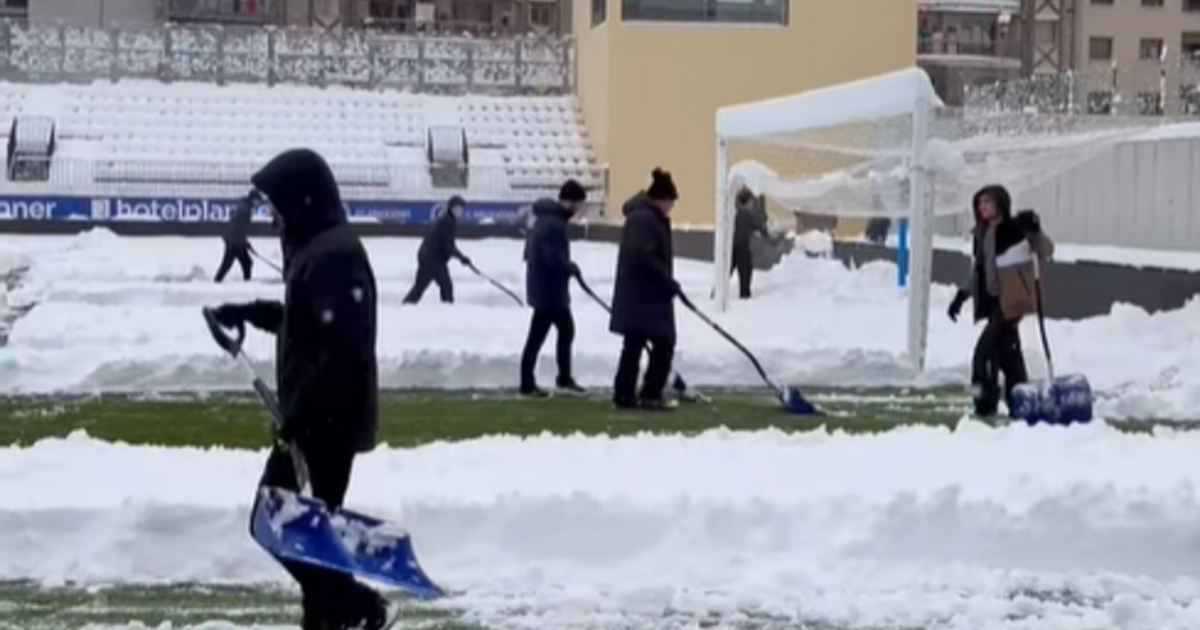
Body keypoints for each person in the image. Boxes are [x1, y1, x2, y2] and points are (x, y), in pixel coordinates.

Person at [208, 149, 396, 630]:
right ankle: (350, 611)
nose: (271, 215)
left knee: (280, 526)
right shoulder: (318, 247)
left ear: (299, 200)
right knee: (297, 532)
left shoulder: (334, 254)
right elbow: (306, 324)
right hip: (313, 420)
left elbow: (342, 351)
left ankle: (361, 608)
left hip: (325, 426)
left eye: (276, 204)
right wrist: (247, 311)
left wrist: (303, 416)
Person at [947, 184, 1055, 419]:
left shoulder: (1015, 229)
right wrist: (962, 295)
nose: (982, 207)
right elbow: (980, 270)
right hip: (994, 303)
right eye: (980, 203)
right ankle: (1022, 402)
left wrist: (1034, 229)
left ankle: (984, 404)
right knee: (1008, 356)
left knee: (983, 354)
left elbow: (1045, 249)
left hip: (1012, 302)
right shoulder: (982, 233)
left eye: (988, 202)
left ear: (1000, 204)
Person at [609, 168, 680, 411]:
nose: (671, 208)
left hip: (642, 297)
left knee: (635, 344)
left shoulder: (643, 217)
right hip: (645, 298)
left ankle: (626, 393)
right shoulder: (645, 219)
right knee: (663, 342)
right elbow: (644, 256)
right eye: (671, 203)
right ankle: (648, 392)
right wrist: (666, 281)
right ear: (662, 199)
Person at [519, 179, 588, 397]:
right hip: (549, 290)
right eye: (579, 205)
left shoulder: (547, 219)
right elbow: (551, 256)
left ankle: (545, 379)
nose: (579, 210)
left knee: (558, 332)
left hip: (546, 287)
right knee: (551, 333)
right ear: (571, 202)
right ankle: (545, 381)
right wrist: (570, 267)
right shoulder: (553, 223)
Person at [403, 195, 471, 304]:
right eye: (457, 209)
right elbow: (448, 246)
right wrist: (461, 257)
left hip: (427, 257)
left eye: (461, 209)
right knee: (446, 287)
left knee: (420, 287)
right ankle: (447, 310)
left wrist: (461, 257)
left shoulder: (444, 220)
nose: (460, 211)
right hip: (433, 259)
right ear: (451, 208)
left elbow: (446, 245)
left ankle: (406, 306)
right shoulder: (448, 222)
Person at [731, 186, 773, 299]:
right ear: (748, 202)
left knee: (725, 272)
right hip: (742, 248)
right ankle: (744, 295)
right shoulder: (748, 215)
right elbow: (760, 227)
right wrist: (771, 239)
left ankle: (716, 293)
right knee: (745, 272)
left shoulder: (733, 212)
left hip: (730, 247)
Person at [214, 191, 257, 282]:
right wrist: (243, 242)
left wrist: (245, 242)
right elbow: (238, 228)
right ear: (253, 200)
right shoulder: (245, 210)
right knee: (245, 263)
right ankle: (246, 282)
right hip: (234, 241)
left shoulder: (244, 207)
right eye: (257, 201)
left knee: (234, 263)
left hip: (234, 240)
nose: (257, 203)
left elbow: (240, 228)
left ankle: (218, 280)